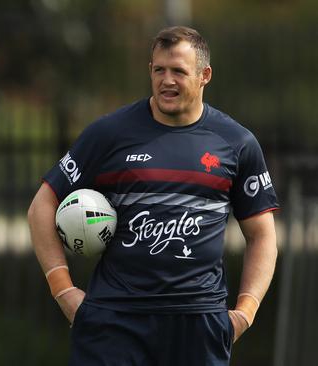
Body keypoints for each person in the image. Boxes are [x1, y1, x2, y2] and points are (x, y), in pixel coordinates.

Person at [28, 26, 278, 365]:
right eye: (159, 70)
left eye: (178, 71)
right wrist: (63, 291)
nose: (167, 80)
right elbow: (43, 205)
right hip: (114, 321)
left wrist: (245, 312)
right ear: (149, 71)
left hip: (198, 323)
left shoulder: (236, 143)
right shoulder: (109, 134)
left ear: (204, 75)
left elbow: (262, 235)